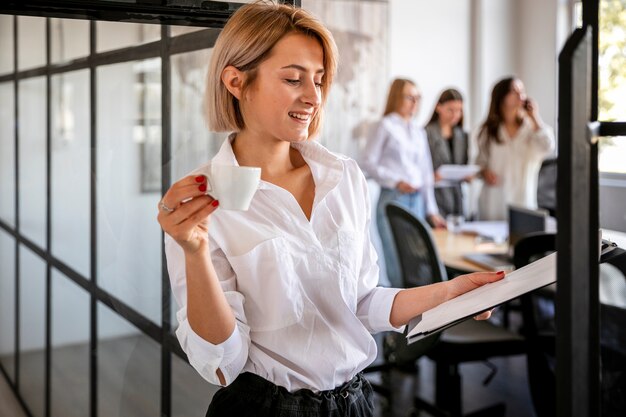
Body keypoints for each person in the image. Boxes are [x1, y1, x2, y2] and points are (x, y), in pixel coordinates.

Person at [157, 2, 502, 416]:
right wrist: (195, 253)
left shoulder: (345, 178)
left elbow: (361, 302)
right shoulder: (202, 202)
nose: (313, 96)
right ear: (235, 81)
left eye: (319, 80)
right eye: (293, 79)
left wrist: (449, 291)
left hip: (354, 404)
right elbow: (224, 362)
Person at [360, 78, 445, 288]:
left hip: (416, 202)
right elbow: (367, 162)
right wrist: (395, 181)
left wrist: (432, 210)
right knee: (397, 262)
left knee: (419, 261)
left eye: (418, 98)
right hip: (393, 200)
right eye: (409, 97)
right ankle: (398, 317)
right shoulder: (385, 126)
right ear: (397, 97)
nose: (414, 102)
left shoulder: (419, 132)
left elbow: (426, 174)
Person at [475, 77, 555, 220]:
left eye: (522, 91)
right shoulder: (489, 130)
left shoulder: (531, 128)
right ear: (501, 97)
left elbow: (548, 146)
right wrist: (484, 171)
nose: (520, 95)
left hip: (523, 202)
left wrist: (535, 117)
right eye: (514, 91)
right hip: (493, 202)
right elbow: (480, 162)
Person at [425, 88, 470, 217]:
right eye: (451, 110)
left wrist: (467, 175)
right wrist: (431, 176)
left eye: (459, 110)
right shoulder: (426, 133)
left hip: (457, 198)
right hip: (435, 197)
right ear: (438, 107)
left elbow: (463, 163)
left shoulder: (462, 135)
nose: (455, 115)